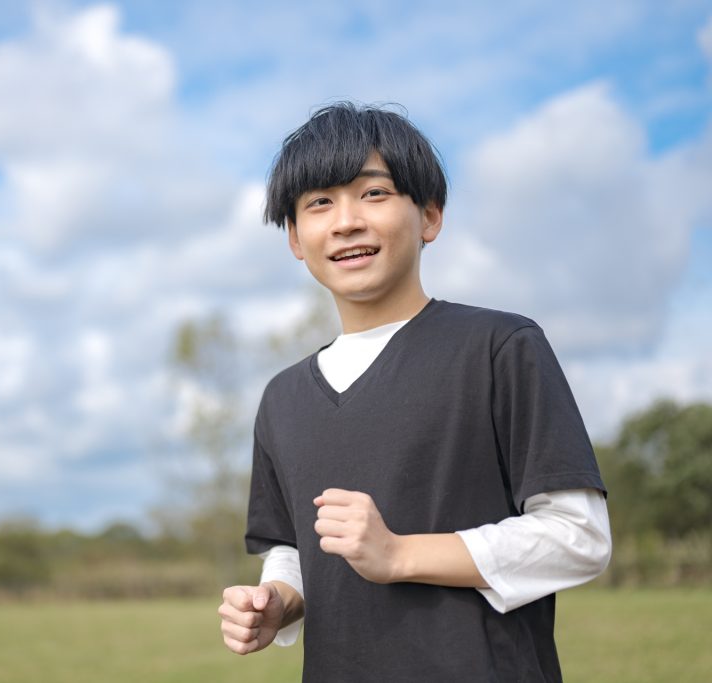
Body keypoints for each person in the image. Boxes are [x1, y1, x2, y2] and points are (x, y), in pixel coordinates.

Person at [217, 102, 611, 682]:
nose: (346, 221)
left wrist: (399, 554)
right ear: (295, 238)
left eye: (373, 193)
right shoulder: (282, 399)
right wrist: (277, 600)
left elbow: (579, 536)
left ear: (429, 215)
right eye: (319, 203)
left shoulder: (499, 347)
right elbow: (293, 549)